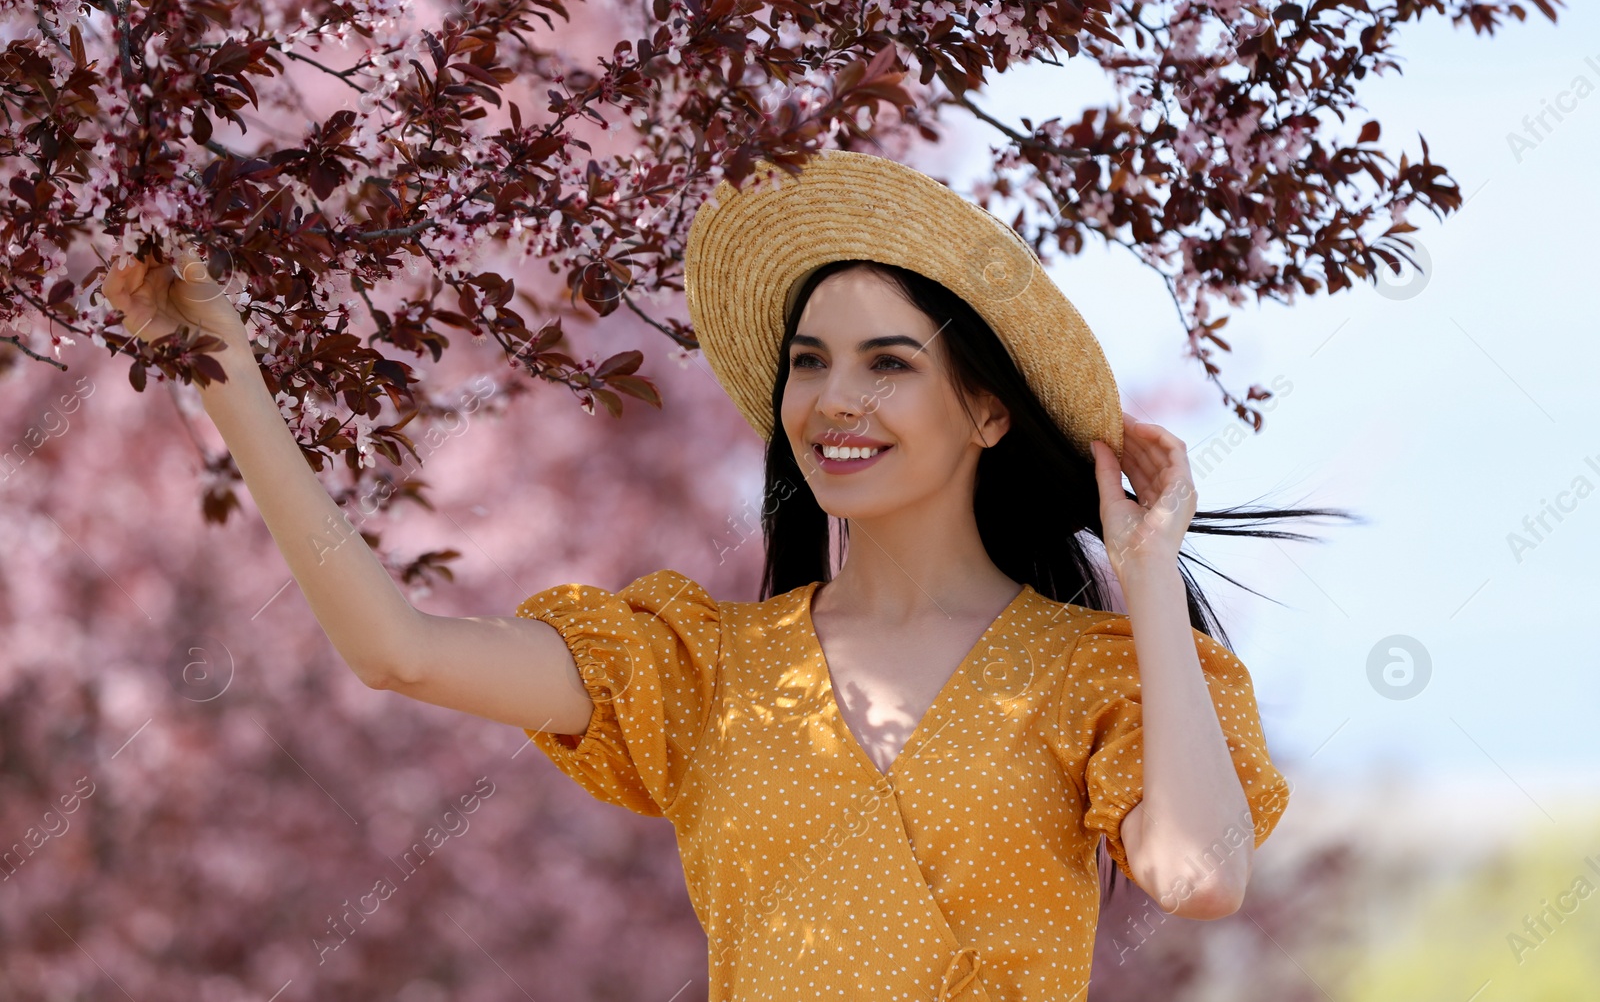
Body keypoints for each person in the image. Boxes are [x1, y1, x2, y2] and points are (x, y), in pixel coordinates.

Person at [101, 149, 1344, 1001]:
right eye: (810, 361)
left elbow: (1198, 874)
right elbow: (396, 647)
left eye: (888, 363)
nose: (834, 400)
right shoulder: (697, 665)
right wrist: (219, 356)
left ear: (988, 414)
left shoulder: (1099, 676)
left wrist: (1144, 570)